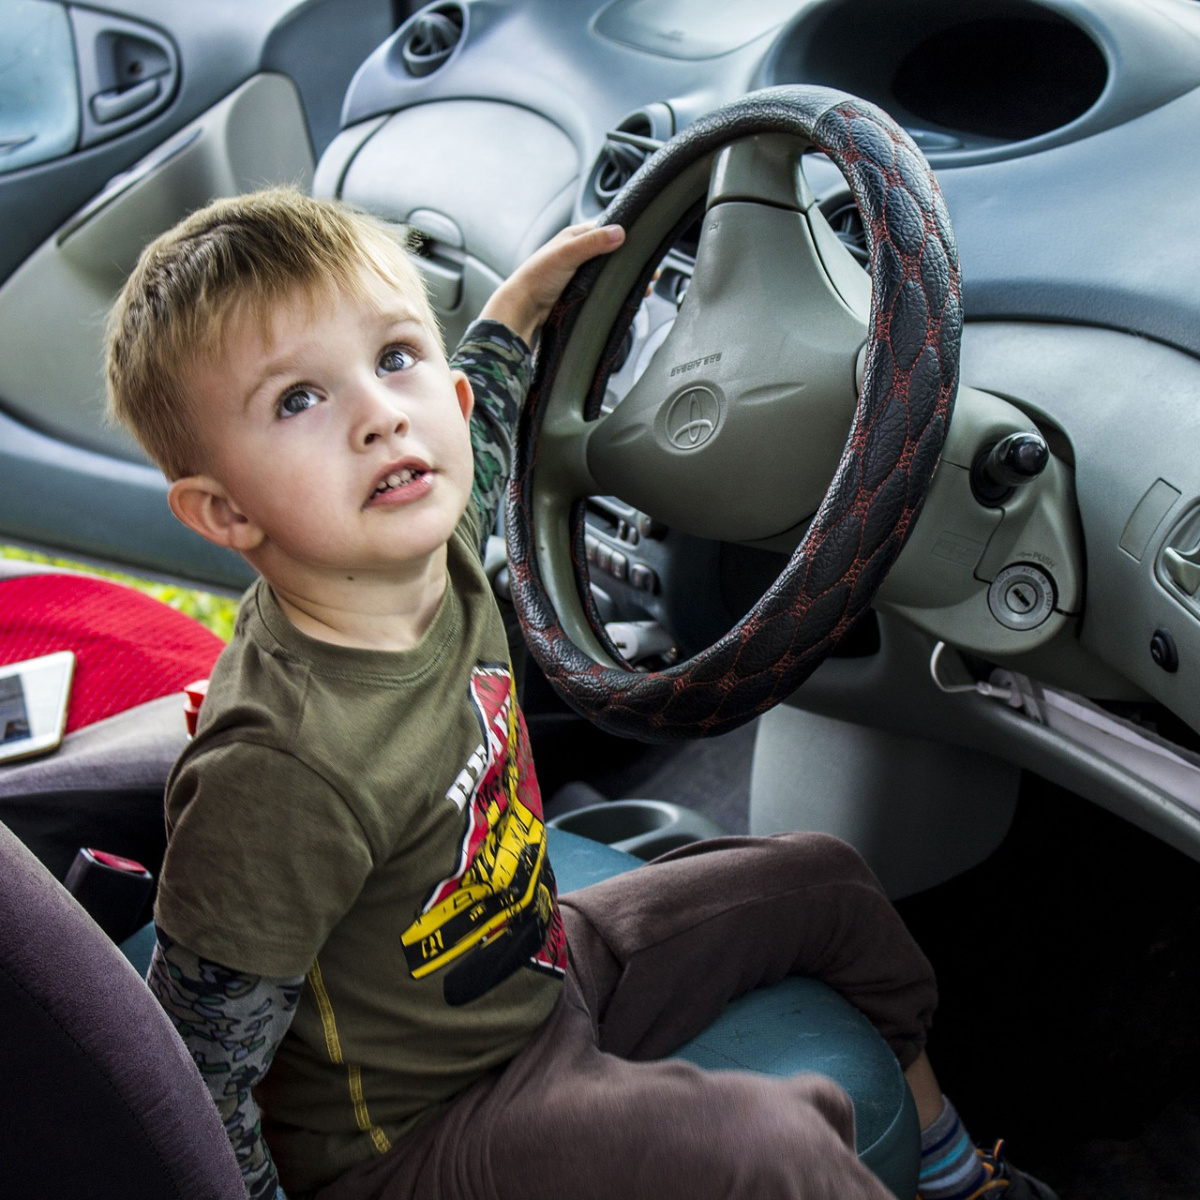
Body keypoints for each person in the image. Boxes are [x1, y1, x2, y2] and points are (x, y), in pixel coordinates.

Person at [105, 187, 1055, 1200]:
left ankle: (954, 1176)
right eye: (299, 400)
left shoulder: (439, 535)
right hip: (415, 1136)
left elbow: (487, 400)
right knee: (763, 1145)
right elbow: (197, 1069)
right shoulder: (280, 769)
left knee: (827, 886)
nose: (380, 415)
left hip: (544, 971)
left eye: (393, 359)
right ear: (223, 511)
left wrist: (515, 313)